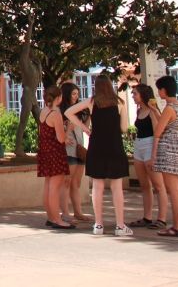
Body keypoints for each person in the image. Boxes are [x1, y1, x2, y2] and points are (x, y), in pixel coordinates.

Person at [66, 75, 132, 237]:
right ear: (110, 86)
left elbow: (68, 112)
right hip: (115, 146)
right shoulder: (120, 102)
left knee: (97, 186)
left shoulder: (92, 101)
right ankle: (120, 225)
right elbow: (124, 128)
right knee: (117, 187)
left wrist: (84, 127)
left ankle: (98, 224)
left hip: (97, 146)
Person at [149, 74, 178, 237]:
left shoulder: (169, 108)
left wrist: (153, 155)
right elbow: (167, 122)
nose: (159, 93)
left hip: (168, 148)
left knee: (172, 190)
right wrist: (155, 110)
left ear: (164, 90)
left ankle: (177, 227)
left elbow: (158, 132)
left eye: (159, 89)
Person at [128, 84, 168, 230]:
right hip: (139, 145)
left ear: (143, 94)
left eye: (135, 94)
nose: (133, 96)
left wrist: (153, 155)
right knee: (144, 185)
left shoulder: (152, 111)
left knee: (158, 185)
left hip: (150, 145)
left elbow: (158, 132)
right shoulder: (139, 110)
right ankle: (147, 216)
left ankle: (162, 218)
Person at [37, 85, 73, 229]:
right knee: (55, 187)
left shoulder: (43, 111)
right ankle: (57, 219)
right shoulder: (55, 113)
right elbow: (60, 138)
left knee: (48, 185)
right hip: (55, 152)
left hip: (45, 151)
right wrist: (68, 129)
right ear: (58, 98)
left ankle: (51, 217)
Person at [59, 82, 91, 222]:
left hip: (79, 147)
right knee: (67, 181)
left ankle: (78, 212)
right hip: (68, 149)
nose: (76, 97)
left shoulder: (80, 110)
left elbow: (86, 127)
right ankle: (65, 212)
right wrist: (65, 134)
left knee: (76, 182)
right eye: (73, 94)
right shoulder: (61, 111)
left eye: (77, 94)